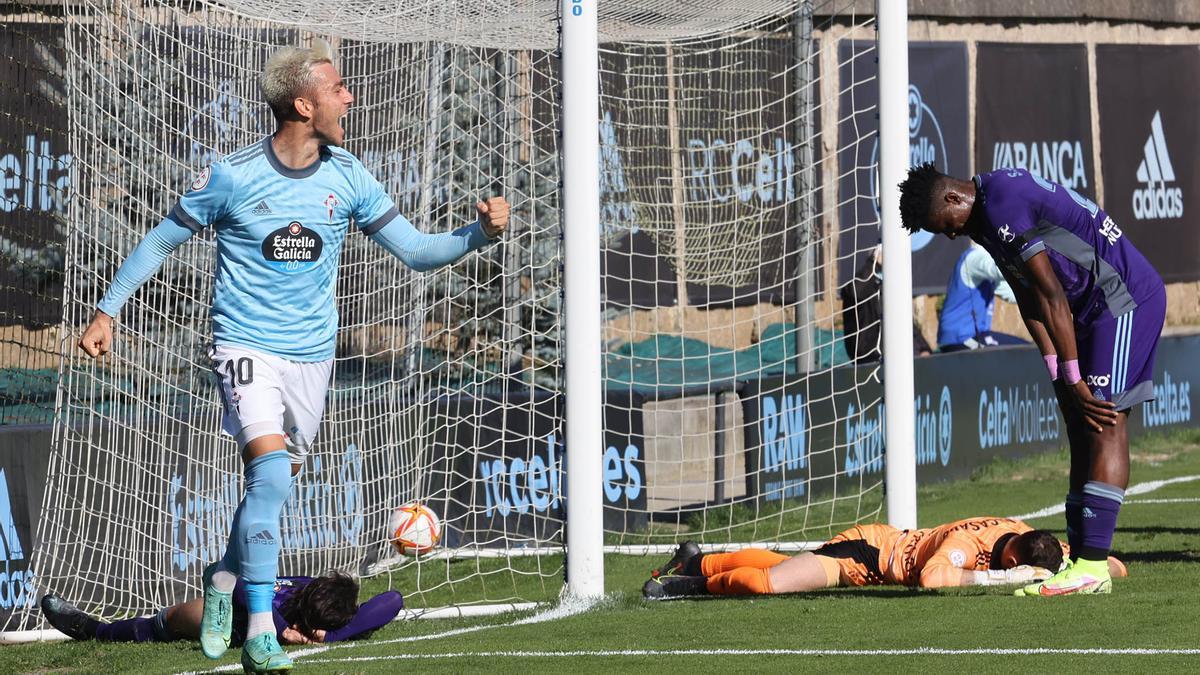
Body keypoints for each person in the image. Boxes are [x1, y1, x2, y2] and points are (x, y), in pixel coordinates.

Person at [77, 39, 507, 671]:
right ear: (304, 103)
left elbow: (414, 252)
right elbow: (161, 240)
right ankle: (258, 631)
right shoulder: (231, 174)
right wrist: (107, 310)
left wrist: (478, 234)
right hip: (244, 346)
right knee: (272, 475)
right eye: (338, 88)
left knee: (272, 487)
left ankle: (222, 582)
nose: (350, 97)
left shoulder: (349, 175)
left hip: (312, 358)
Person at [898, 163, 1165, 597]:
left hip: (1123, 299)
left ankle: (1093, 567)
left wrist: (1075, 376)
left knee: (1104, 421)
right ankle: (1081, 561)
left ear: (952, 199)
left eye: (944, 226)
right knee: (1080, 425)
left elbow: (1051, 294)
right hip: (1090, 311)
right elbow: (1028, 299)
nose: (948, 235)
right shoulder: (984, 218)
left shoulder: (1003, 202)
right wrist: (1057, 370)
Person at [642, 517, 1128, 599]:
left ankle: (698, 560)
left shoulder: (1034, 541)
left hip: (873, 559)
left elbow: (1115, 566)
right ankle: (692, 581)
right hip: (869, 553)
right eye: (1008, 568)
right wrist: (1000, 582)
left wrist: (1072, 569)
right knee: (770, 584)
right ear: (1008, 558)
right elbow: (934, 579)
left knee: (779, 567)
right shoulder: (968, 546)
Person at [40, 573, 401, 646]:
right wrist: (277, 626)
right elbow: (240, 583)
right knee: (180, 616)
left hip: (254, 628)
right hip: (239, 611)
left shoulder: (339, 614)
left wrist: (335, 634)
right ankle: (95, 630)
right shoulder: (298, 590)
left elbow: (394, 599)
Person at [840, 244, 932, 363]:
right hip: (869, 358)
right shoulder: (856, 289)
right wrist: (874, 263)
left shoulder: (891, 290)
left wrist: (923, 347)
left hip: (899, 356)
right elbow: (856, 292)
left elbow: (906, 323)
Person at [937, 243, 1027, 352]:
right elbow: (1000, 270)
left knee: (1027, 348)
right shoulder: (974, 257)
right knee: (1025, 351)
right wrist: (1031, 262)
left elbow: (1013, 295)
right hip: (961, 339)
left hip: (974, 336)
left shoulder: (986, 269)